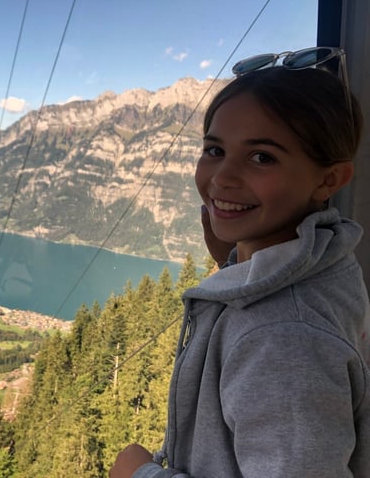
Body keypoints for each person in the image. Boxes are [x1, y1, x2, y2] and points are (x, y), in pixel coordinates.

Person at [110, 49, 370, 477]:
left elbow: (286, 335)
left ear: (329, 179)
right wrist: (233, 266)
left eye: (262, 156)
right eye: (214, 149)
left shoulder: (282, 338)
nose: (222, 178)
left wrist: (138, 474)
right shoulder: (328, 257)